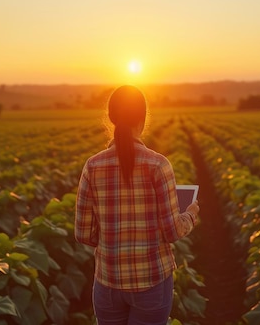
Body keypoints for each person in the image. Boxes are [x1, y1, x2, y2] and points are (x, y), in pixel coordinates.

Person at [74, 85, 200, 325]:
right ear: (143, 118)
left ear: (111, 118)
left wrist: (113, 240)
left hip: (108, 284)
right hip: (151, 281)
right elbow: (172, 231)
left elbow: (82, 233)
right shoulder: (158, 165)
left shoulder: (93, 166)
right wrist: (190, 215)